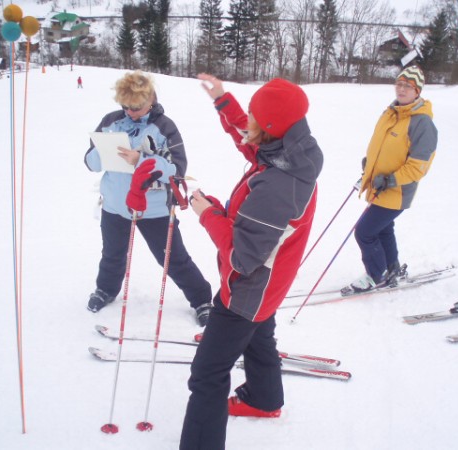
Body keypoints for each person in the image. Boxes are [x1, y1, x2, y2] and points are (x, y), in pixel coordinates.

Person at [179, 74, 323, 449]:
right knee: (259, 337)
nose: (250, 126)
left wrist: (207, 212)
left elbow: (243, 258)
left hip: (245, 294)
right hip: (269, 288)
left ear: (273, 127)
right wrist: (223, 101)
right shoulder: (293, 150)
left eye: (257, 118)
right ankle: (264, 399)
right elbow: (253, 139)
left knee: (207, 375)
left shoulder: (278, 186)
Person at [84, 70, 213, 326]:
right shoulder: (110, 121)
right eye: (126, 106)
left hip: (154, 209)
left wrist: (141, 160)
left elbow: (177, 168)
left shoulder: (165, 127)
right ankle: (106, 289)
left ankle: (202, 300)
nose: (130, 112)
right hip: (115, 205)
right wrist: (103, 151)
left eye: (137, 107)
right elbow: (90, 162)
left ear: (150, 99)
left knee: (172, 258)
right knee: (112, 253)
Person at [345, 65, 438, 293]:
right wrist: (371, 164)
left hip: (396, 192)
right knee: (383, 229)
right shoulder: (391, 112)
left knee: (365, 232)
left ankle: (375, 275)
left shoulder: (422, 123)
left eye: (408, 86)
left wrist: (390, 180)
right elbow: (382, 146)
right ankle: (391, 266)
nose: (402, 89)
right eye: (399, 84)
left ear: (418, 91)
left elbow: (418, 167)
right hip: (379, 186)